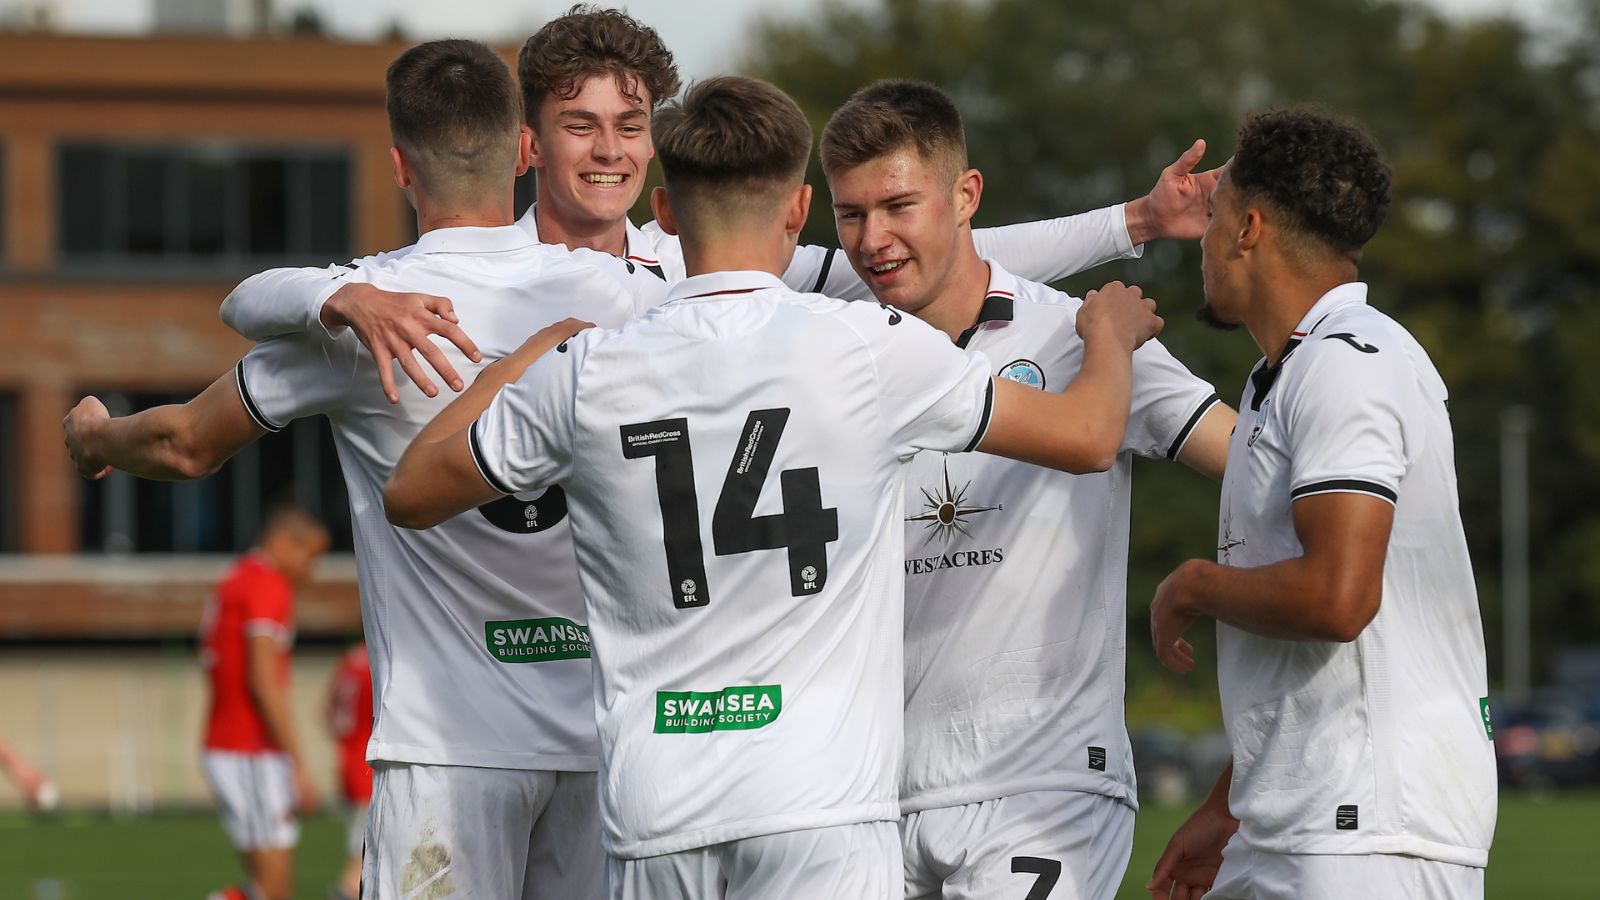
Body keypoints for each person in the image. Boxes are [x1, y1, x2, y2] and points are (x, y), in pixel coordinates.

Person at [383, 74, 1161, 900]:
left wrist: (524, 359)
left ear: (669, 216)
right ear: (798, 211)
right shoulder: (866, 346)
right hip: (817, 806)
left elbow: (410, 492)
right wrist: (1109, 337)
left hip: (657, 810)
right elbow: (1087, 438)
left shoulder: (587, 371)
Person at [64, 39, 643, 898]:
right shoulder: (619, 297)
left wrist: (94, 435)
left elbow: (184, 441)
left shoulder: (367, 317)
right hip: (600, 749)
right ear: (525, 153)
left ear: (400, 168)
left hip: (445, 757)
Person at [215, 5, 1215, 405]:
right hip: (491, 708)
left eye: (630, 122)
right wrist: (335, 300)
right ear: (528, 144)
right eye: (579, 125)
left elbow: (948, 259)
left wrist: (1133, 222)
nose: (608, 149)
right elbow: (260, 315)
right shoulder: (459, 280)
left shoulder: (710, 263)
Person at [819, 79, 1235, 900]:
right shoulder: (830, 350)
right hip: (862, 798)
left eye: (899, 206)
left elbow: (1257, 470)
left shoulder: (1081, 336)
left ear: (966, 195)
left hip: (1042, 788)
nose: (873, 240)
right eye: (850, 215)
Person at [1144, 109, 1496, 900]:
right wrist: (1228, 805)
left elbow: (1338, 600)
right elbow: (1313, 664)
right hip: (1301, 826)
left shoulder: (1348, 364)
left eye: (1214, 216)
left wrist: (1191, 585)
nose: (1201, 239)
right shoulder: (1291, 374)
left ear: (1249, 229)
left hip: (1371, 835)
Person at [196, 504, 330, 900]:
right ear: (282, 543)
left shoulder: (236, 579)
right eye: (311, 556)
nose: (312, 570)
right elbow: (264, 680)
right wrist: (298, 764)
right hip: (249, 749)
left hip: (234, 746)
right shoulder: (267, 585)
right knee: (274, 890)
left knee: (270, 891)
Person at [325, 642, 372, 900]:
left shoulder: (350, 659)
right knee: (361, 864)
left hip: (348, 762)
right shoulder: (382, 655)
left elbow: (327, 710)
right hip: (369, 767)